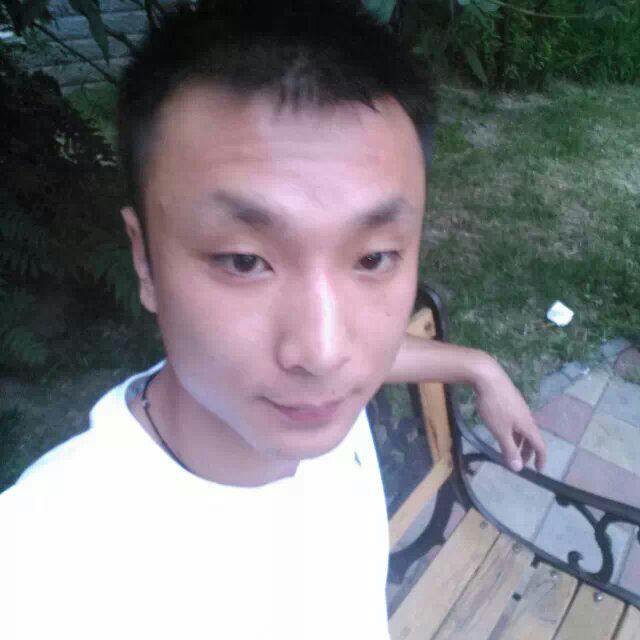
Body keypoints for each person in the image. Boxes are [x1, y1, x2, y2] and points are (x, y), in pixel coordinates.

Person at [1, 2, 546, 638]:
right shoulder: (42, 566)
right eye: (243, 261)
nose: (324, 352)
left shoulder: (310, 402)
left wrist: (478, 368)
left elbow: (384, 358)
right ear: (144, 260)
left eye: (372, 258)